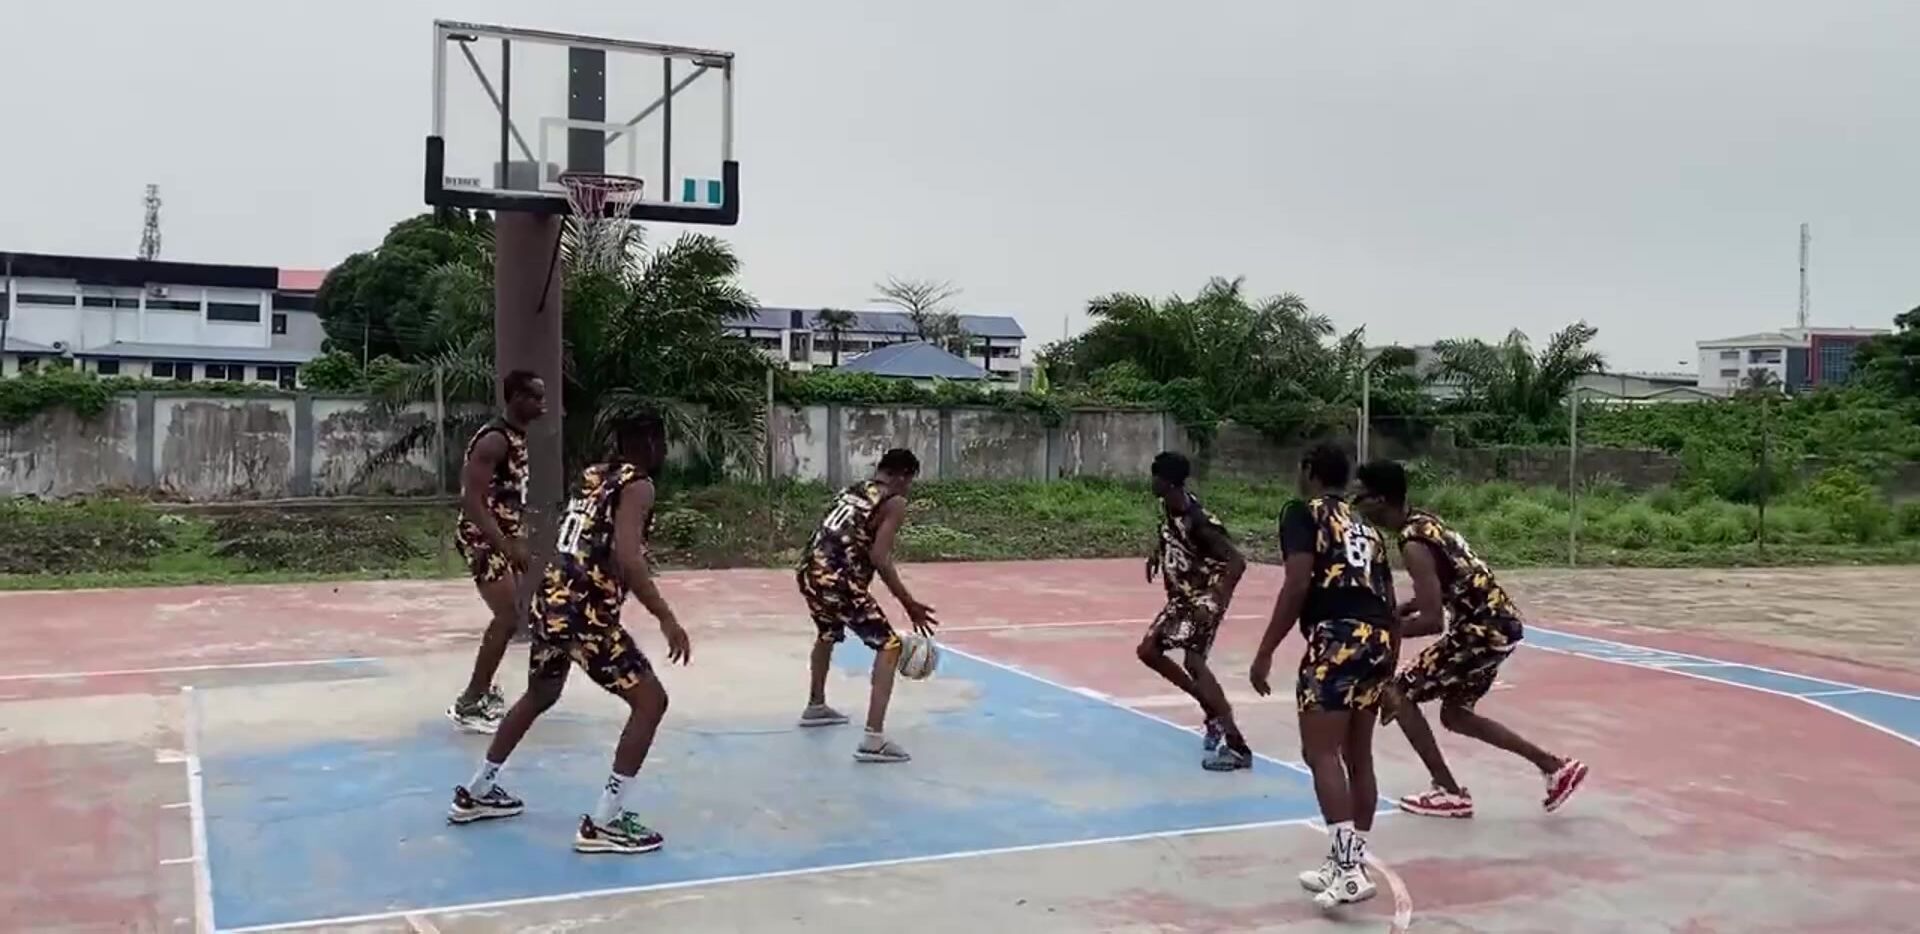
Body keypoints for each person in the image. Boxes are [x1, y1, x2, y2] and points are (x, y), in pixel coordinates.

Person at [446, 411, 692, 855]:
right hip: (585, 614)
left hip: (550, 602)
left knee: (540, 694)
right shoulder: (638, 485)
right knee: (650, 701)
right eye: (660, 441)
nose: (664, 450)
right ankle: (605, 821)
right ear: (649, 444)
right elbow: (629, 557)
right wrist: (666, 617)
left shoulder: (594, 475)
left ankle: (478, 790)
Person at [1353, 459, 1589, 819]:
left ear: (1380, 499)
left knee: (1397, 693)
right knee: (1456, 715)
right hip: (1500, 626)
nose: (1357, 506)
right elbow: (1445, 584)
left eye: (1360, 498)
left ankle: (1449, 792)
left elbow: (1432, 620)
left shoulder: (1412, 544)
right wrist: (1400, 611)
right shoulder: (1425, 523)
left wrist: (1380, 630)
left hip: (1480, 632)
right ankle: (1555, 767)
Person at [1249, 443, 1396, 909]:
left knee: (1320, 751)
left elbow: (1297, 582)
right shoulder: (1367, 527)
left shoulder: (1302, 513)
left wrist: (1265, 651)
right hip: (1379, 638)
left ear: (1309, 471)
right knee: (1357, 755)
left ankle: (1349, 872)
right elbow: (1388, 598)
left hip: (1338, 638)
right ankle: (1347, 861)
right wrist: (1390, 669)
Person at [795, 448, 938, 763]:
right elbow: (880, 558)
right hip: (839, 579)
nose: (908, 489)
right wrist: (909, 603)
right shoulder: (894, 501)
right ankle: (874, 739)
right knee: (889, 645)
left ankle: (816, 705)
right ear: (902, 476)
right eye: (910, 482)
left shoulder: (853, 490)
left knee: (827, 633)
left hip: (809, 571)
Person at [446, 370, 547, 733]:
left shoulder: (516, 437)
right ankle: (470, 702)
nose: (543, 404)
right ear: (516, 397)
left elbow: (505, 495)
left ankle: (481, 692)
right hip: (482, 538)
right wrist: (505, 545)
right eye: (536, 397)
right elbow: (471, 501)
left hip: (500, 537)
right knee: (506, 617)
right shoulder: (494, 440)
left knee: (512, 615)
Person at [1139, 451, 1254, 771]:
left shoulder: (1199, 521)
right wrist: (1158, 553)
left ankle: (1237, 746)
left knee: (1194, 662)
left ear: (1167, 481)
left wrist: (1213, 600)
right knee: (1148, 652)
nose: (1151, 481)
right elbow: (1171, 532)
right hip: (1182, 598)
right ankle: (1212, 710)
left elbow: (1237, 562)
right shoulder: (1170, 506)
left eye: (1155, 475)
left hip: (1202, 597)